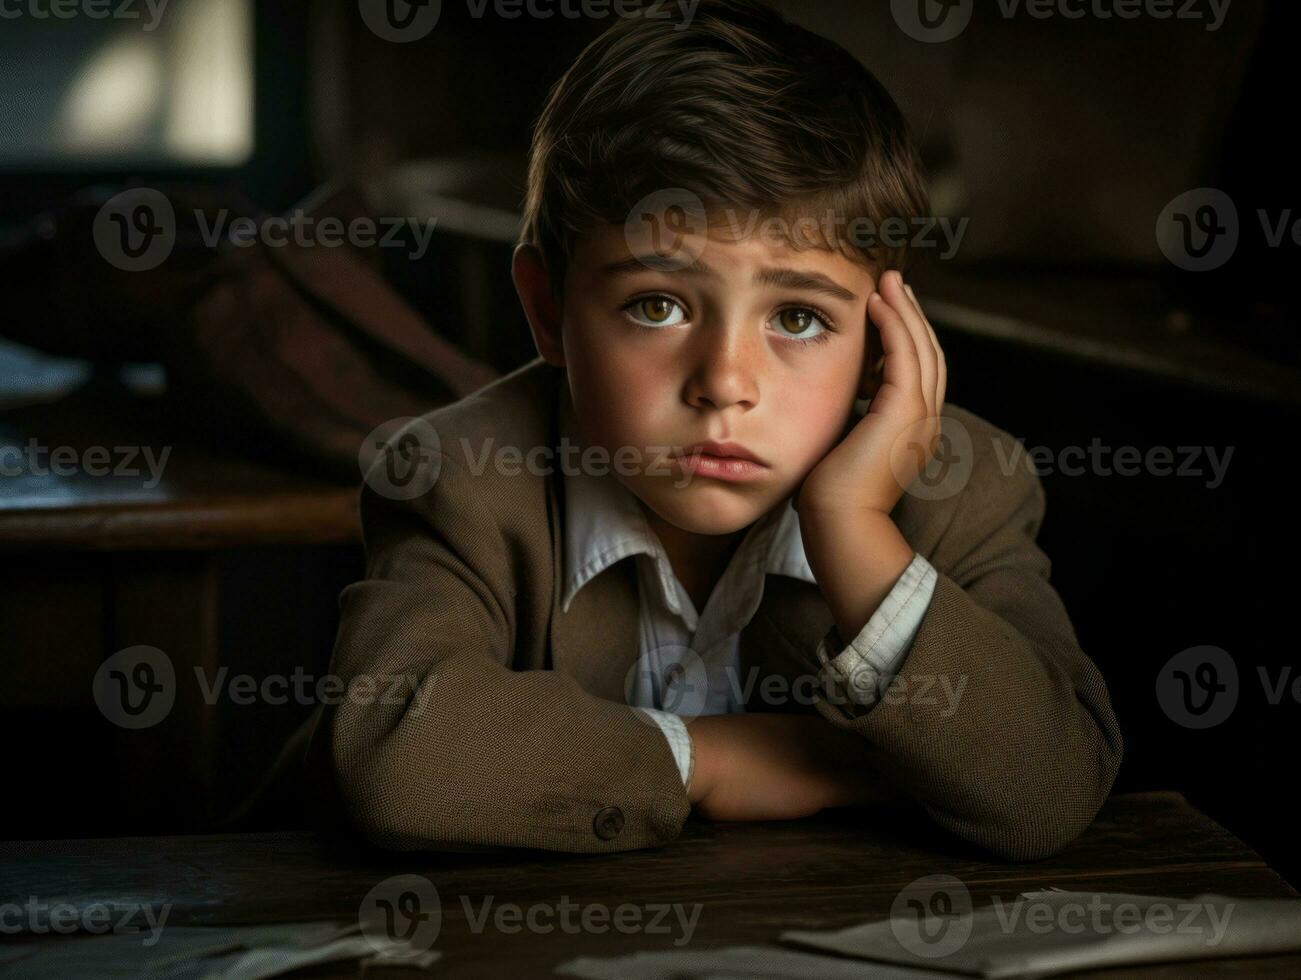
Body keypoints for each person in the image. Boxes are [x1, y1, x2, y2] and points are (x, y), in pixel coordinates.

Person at [312, 0, 1122, 861]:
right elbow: (399, 758)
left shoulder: (964, 486)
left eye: (801, 318)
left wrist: (854, 532)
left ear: (885, 337)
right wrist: (705, 758)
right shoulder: (457, 478)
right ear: (548, 311)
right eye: (656, 306)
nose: (725, 384)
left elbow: (1051, 785)